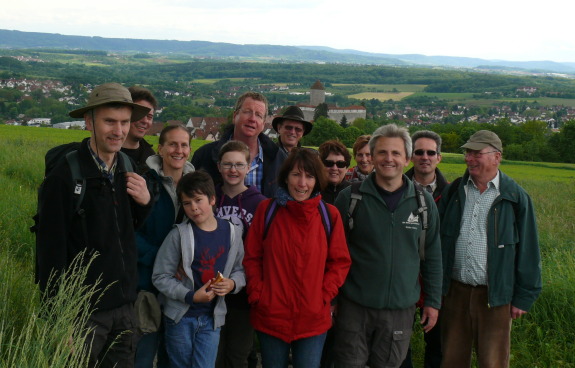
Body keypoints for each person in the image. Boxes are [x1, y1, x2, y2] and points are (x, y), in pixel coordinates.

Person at [36, 82, 152, 368]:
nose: (118, 131)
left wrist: (145, 202)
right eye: (109, 121)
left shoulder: (126, 166)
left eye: (125, 122)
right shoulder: (65, 177)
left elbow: (127, 229)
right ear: (89, 122)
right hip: (82, 314)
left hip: (124, 307)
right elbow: (49, 254)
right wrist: (58, 319)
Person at [333, 124, 442, 368]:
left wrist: (433, 302)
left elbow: (433, 256)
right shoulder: (350, 199)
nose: (388, 159)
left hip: (399, 311)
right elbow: (333, 255)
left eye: (395, 153)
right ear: (371, 157)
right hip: (354, 308)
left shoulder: (423, 204)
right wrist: (332, 299)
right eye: (382, 153)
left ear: (406, 158)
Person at [438, 130, 542, 368]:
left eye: (476, 153)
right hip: (455, 292)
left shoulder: (515, 197)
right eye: (467, 153)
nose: (469, 158)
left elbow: (529, 251)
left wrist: (524, 297)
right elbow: (438, 243)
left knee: (492, 362)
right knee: (451, 360)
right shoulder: (454, 191)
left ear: (497, 157)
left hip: (495, 297)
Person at [243, 148, 351, 368]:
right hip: (271, 314)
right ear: (285, 177)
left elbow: (339, 262)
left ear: (317, 180)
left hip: (312, 318)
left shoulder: (329, 215)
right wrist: (258, 294)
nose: (302, 183)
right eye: (296, 174)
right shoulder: (267, 210)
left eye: (309, 176)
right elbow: (252, 257)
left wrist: (322, 296)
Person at [152, 170, 246, 368]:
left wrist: (232, 283)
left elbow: (240, 269)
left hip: (212, 319)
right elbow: (160, 276)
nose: (194, 208)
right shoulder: (179, 235)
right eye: (187, 203)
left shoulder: (232, 232)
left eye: (198, 200)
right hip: (180, 318)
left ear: (212, 199)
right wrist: (190, 296)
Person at [134, 125, 195, 368]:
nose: (178, 150)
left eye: (183, 145)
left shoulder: (197, 187)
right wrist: (161, 258)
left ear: (190, 150)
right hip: (146, 283)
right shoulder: (144, 183)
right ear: (160, 149)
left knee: (174, 357)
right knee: (143, 354)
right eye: (172, 144)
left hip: (181, 286)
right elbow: (129, 232)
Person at [214, 140, 267, 368]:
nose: (233, 170)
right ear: (219, 167)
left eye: (239, 164)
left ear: (248, 167)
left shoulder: (260, 204)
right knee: (213, 354)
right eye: (227, 164)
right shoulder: (209, 198)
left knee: (238, 355)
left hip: (244, 294)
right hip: (212, 289)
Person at [401, 130, 448, 368]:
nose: (425, 157)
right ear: (410, 156)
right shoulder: (395, 189)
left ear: (439, 157)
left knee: (438, 346)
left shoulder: (452, 195)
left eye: (431, 152)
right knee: (398, 345)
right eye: (419, 152)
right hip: (403, 279)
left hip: (436, 280)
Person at [192, 92, 287, 198]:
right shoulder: (204, 156)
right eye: (247, 112)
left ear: (263, 124)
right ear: (235, 116)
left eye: (259, 115)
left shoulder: (279, 158)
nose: (252, 119)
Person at [122, 86, 157, 173]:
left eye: (149, 116)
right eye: (139, 114)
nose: (145, 121)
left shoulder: (152, 159)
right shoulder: (107, 152)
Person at [319, 140, 351, 205]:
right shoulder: (312, 191)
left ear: (347, 168)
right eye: (329, 163)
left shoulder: (354, 192)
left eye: (340, 164)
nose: (334, 168)